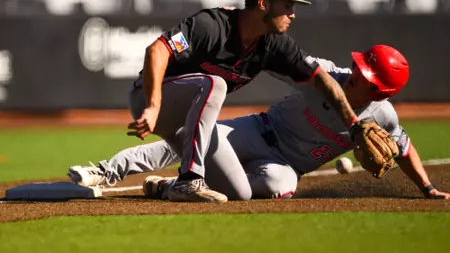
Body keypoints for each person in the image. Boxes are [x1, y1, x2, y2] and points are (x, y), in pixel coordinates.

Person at [98, 0, 366, 203]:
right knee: (215, 83)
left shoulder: (273, 45)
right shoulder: (212, 26)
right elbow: (156, 50)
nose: (292, 15)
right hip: (149, 99)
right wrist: (154, 106)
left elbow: (322, 79)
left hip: (188, 116)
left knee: (239, 193)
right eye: (286, 6)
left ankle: (164, 187)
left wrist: (353, 126)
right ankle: (187, 179)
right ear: (263, 3)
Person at [68, 45, 450, 200]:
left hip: (284, 166)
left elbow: (404, 147)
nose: (356, 73)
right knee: (189, 138)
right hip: (255, 131)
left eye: (366, 76)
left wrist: (427, 187)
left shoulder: (382, 116)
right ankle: (104, 171)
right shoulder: (328, 75)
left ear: (380, 92)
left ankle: (171, 186)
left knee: (275, 187)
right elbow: (281, 59)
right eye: (361, 66)